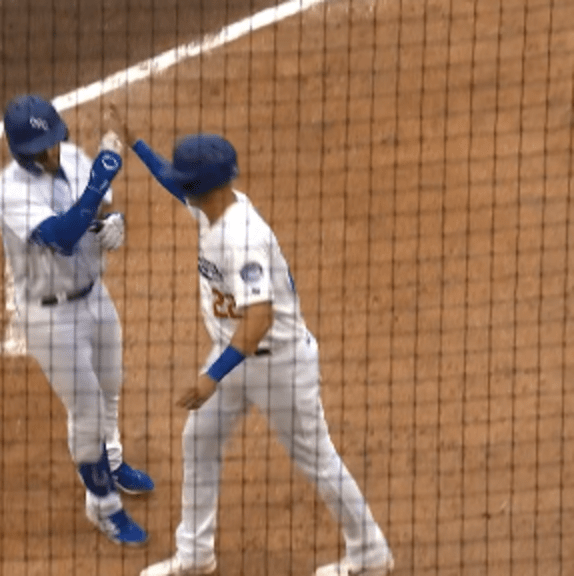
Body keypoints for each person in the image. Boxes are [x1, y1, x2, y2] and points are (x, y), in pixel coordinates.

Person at [116, 126, 393, 575]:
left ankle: (371, 552)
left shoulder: (241, 238)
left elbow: (259, 318)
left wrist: (211, 377)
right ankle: (195, 555)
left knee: (317, 460)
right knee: (199, 441)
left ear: (199, 185)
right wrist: (136, 144)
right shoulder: (216, 204)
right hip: (236, 355)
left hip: (277, 366)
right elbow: (173, 183)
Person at [0, 94, 154, 546]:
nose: (54, 150)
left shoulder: (77, 159)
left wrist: (111, 224)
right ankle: (103, 506)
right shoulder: (11, 190)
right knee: (85, 409)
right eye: (44, 145)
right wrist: (100, 183)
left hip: (94, 297)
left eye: (56, 140)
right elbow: (61, 237)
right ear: (23, 150)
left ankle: (113, 461)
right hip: (50, 316)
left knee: (111, 383)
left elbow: (94, 215)